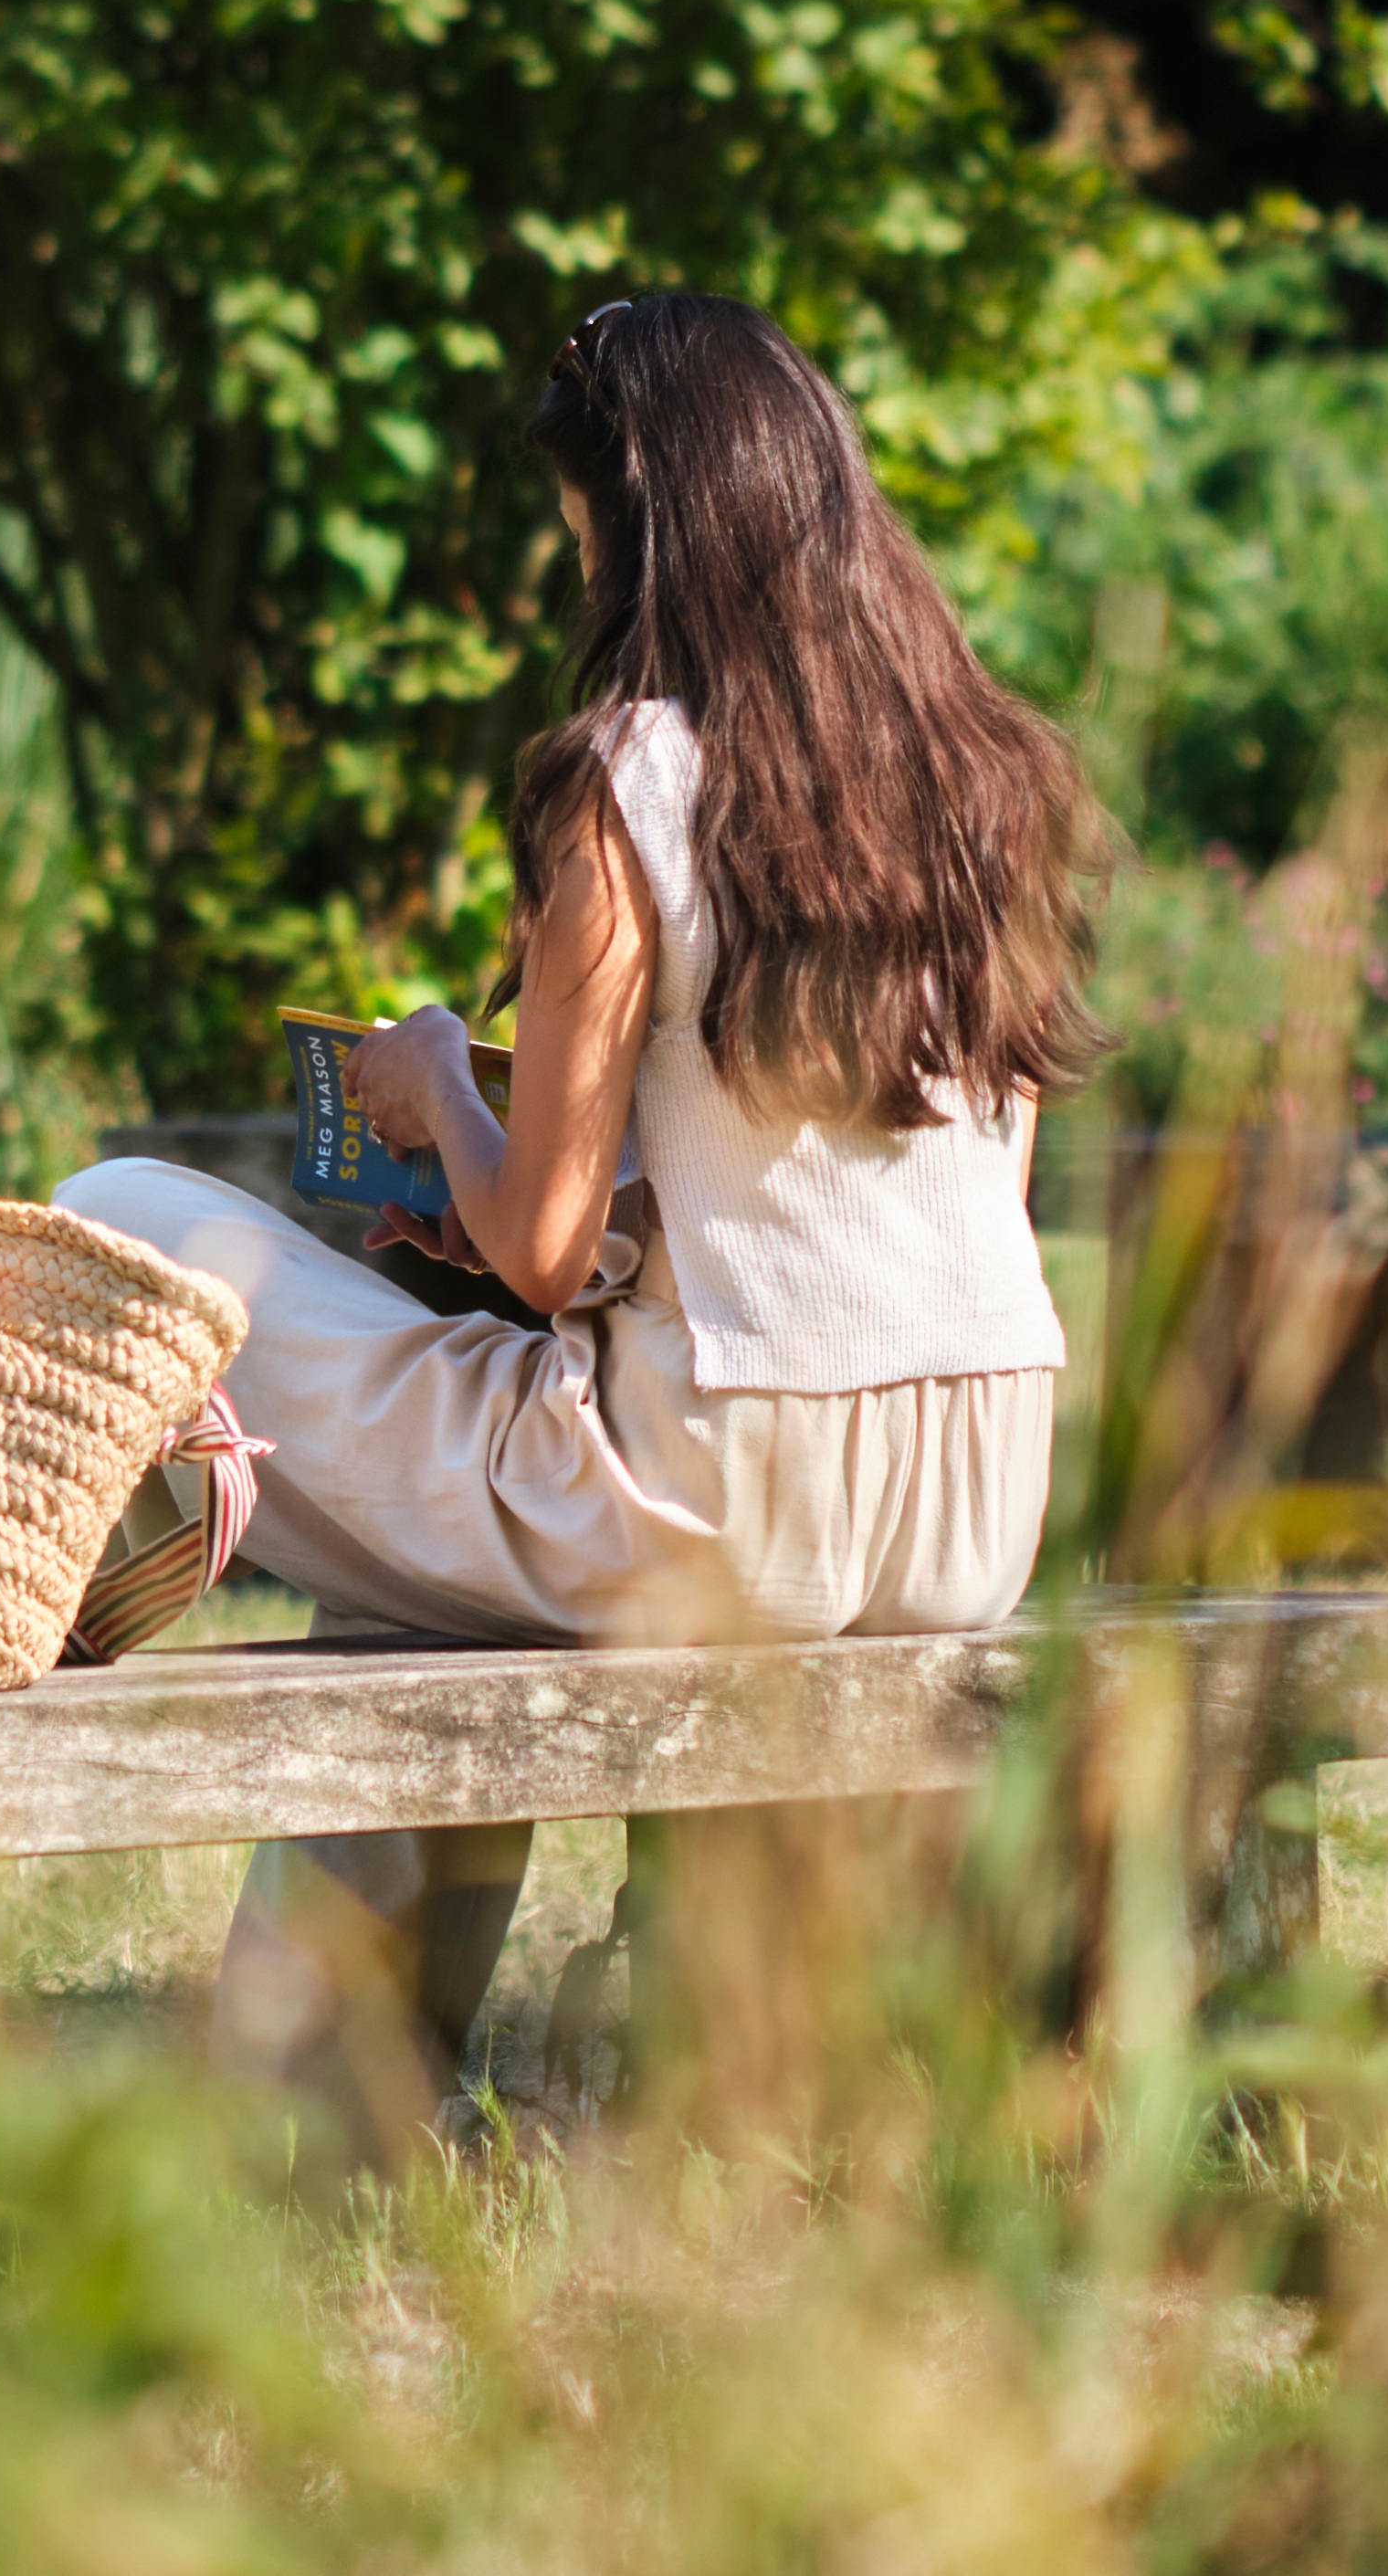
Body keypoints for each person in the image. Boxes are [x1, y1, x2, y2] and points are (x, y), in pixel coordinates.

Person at [53, 289, 1100, 2103]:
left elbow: (537, 1254)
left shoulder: (624, 777)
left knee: (124, 1204)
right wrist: (579, 1219)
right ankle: (325, 2102)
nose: (580, 572)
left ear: (640, 523)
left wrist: (440, 1087)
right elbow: (921, 1203)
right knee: (400, 1593)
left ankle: (322, 2107)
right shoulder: (987, 775)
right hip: (978, 1499)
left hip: (720, 1503)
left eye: (580, 532)